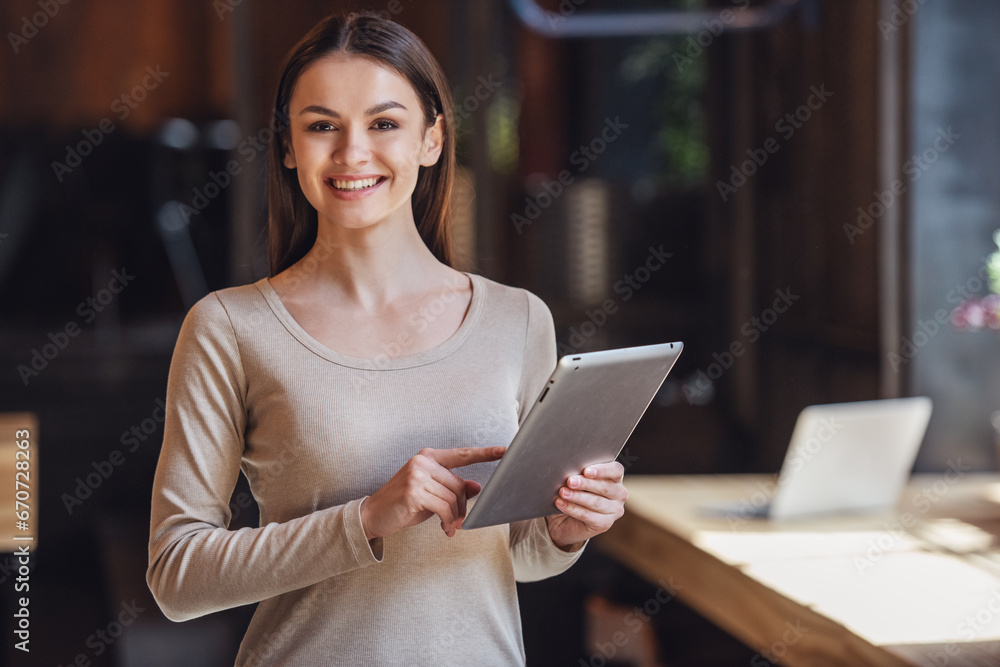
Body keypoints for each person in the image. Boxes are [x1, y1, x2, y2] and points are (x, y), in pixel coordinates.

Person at [146, 11, 628, 666]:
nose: (352, 153)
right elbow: (176, 576)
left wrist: (566, 528)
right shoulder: (229, 328)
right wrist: (365, 519)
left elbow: (518, 554)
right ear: (287, 147)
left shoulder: (518, 320)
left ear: (432, 139)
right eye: (322, 126)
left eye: (384, 124)